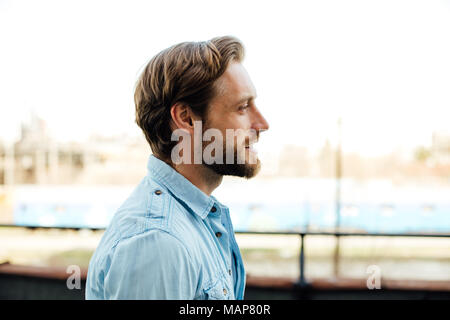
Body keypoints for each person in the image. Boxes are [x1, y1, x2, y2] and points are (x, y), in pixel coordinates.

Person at [85, 36, 269, 300]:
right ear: (185, 118)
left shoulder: (193, 221)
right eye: (242, 107)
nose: (262, 123)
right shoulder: (158, 241)